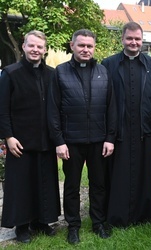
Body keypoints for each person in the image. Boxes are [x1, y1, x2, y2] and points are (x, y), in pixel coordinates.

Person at [47, 29, 117, 244]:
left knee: (99, 184)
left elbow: (111, 108)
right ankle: (73, 225)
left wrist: (110, 138)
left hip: (98, 141)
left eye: (89, 46)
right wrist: (59, 141)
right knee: (72, 186)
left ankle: (98, 223)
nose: (86, 49)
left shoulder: (104, 72)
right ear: (72, 46)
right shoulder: (59, 72)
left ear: (94, 48)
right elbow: (53, 110)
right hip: (71, 142)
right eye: (81, 45)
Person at [101, 21, 151, 227]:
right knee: (118, 174)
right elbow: (103, 98)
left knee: (143, 174)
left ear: (142, 40)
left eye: (137, 39)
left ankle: (143, 215)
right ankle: (117, 215)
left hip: (143, 130)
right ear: (122, 39)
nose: (134, 42)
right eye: (130, 38)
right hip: (118, 129)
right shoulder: (108, 64)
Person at [0, 30, 61, 244]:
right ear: (24, 46)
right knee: (22, 186)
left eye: (39, 47)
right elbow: (2, 108)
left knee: (44, 183)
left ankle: (41, 222)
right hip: (20, 142)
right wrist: (8, 136)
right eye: (31, 45)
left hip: (46, 140)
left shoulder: (52, 74)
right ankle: (22, 226)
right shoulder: (10, 73)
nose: (35, 50)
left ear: (45, 50)